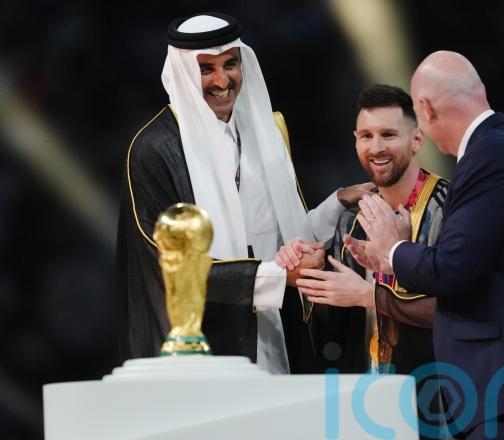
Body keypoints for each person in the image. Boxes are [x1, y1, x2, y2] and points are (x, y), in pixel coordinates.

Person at [345, 51, 504, 439]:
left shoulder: (490, 158)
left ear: (425, 109)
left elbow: (451, 269)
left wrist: (394, 249)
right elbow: (469, 265)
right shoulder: (501, 150)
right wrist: (391, 256)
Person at [116, 12, 370, 374]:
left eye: (230, 64)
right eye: (206, 68)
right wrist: (276, 277)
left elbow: (283, 235)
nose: (222, 80)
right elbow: (170, 266)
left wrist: (337, 203)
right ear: (183, 72)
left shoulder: (266, 132)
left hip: (277, 332)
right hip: (204, 348)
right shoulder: (155, 150)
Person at [277, 84, 448, 377]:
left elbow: (461, 310)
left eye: (389, 135)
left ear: (417, 140)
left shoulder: (449, 208)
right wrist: (305, 270)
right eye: (366, 136)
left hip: (439, 386)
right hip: (363, 388)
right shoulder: (350, 220)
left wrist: (371, 294)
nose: (376, 148)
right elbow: (336, 321)